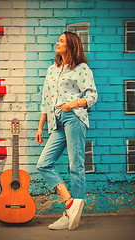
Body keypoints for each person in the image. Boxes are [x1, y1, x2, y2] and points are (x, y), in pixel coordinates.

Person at [35, 31, 97, 231]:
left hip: (74, 118)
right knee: (43, 164)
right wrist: (40, 126)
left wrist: (72, 104)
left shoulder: (82, 68)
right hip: (56, 122)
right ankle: (70, 204)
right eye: (58, 40)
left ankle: (73, 216)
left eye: (61, 41)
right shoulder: (52, 69)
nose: (57, 42)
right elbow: (46, 99)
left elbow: (92, 96)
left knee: (76, 166)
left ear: (71, 45)